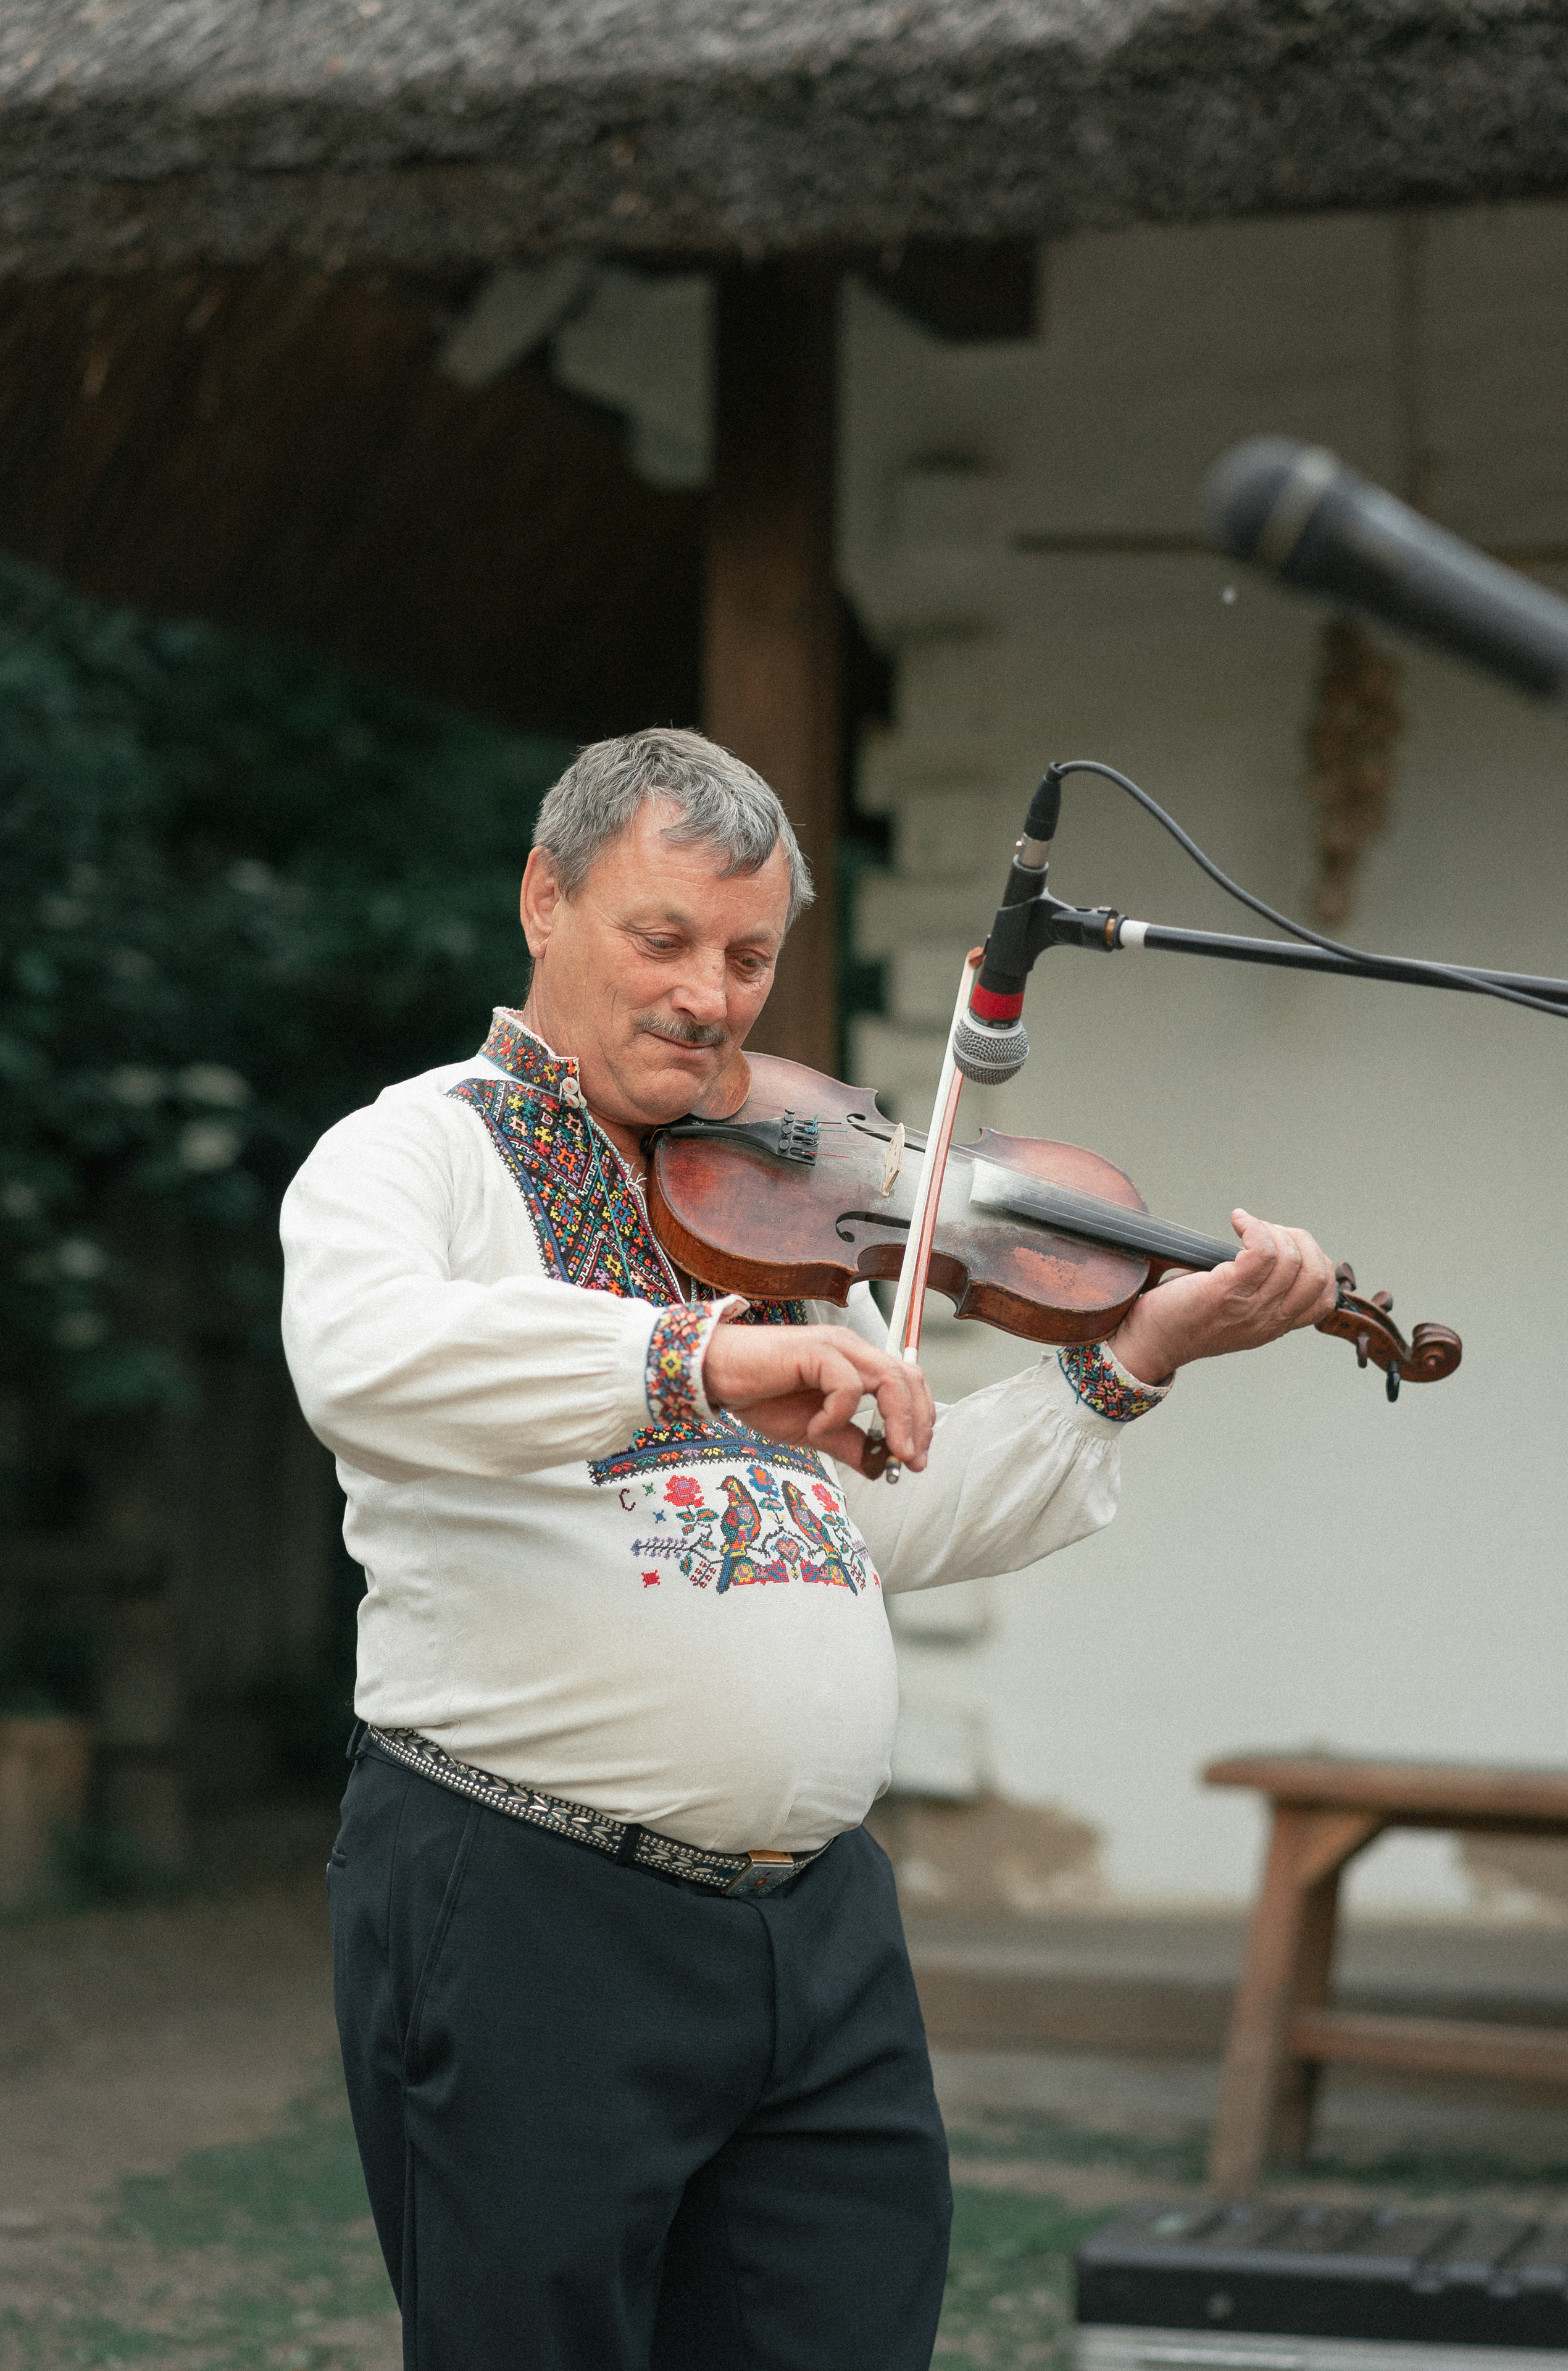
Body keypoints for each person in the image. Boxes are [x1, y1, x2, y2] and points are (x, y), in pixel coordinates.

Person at [281, 727, 1335, 2371]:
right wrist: (692, 1359)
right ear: (542, 901)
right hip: (525, 1907)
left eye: (750, 954)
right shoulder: (410, 1154)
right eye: (664, 939)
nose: (712, 997)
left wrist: (1135, 1359)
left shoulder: (773, 1199)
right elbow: (364, 1363)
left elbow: (873, 1521)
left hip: (819, 1935)